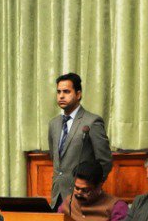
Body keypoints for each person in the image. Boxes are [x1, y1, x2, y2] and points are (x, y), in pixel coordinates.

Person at [48, 73, 112, 210]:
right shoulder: (54, 123)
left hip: (83, 197)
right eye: (59, 92)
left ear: (78, 94)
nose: (61, 96)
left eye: (66, 91)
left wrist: (91, 187)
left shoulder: (92, 121)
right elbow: (55, 158)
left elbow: (105, 161)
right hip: (57, 196)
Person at [58, 161, 130, 221]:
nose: (79, 193)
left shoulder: (117, 206)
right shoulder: (68, 202)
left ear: (99, 186)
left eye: (85, 190)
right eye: (76, 188)